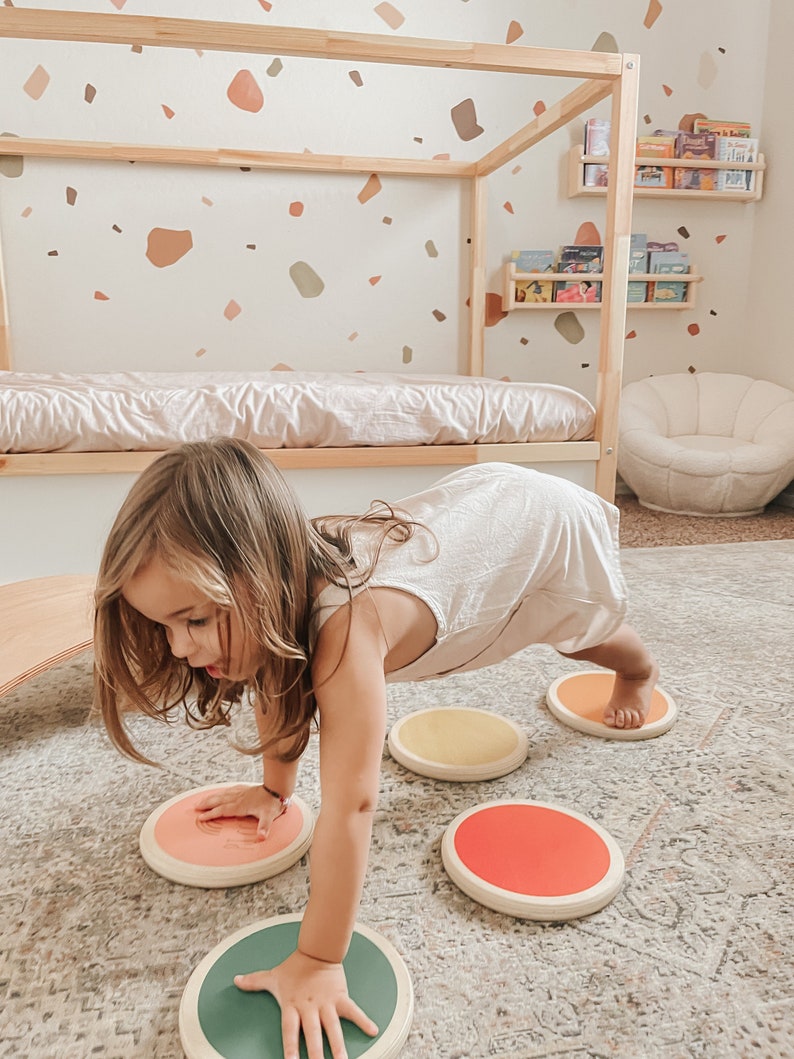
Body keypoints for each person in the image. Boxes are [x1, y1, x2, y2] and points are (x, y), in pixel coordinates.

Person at [93, 437, 658, 1059]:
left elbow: (353, 805)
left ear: (256, 574)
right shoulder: (274, 586)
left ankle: (639, 670)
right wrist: (274, 789)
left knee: (576, 635)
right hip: (479, 513)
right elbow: (278, 678)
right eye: (164, 626)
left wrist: (317, 956)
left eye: (194, 621)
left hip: (535, 526)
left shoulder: (348, 625)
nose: (177, 649)